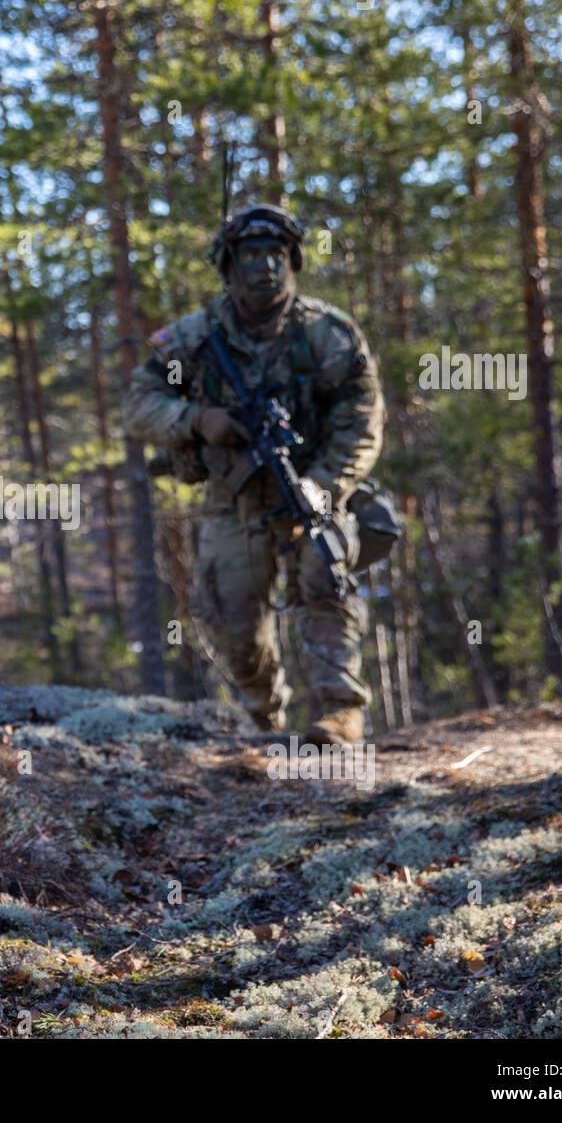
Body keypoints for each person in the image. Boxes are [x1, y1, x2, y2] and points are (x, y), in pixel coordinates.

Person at [126, 204, 384, 746]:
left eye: (276, 254)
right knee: (231, 616)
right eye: (251, 256)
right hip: (233, 501)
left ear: (292, 261)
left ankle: (339, 711)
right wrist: (196, 420)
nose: (265, 266)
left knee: (324, 569)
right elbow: (140, 402)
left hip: (312, 492)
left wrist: (323, 486)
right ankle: (262, 715)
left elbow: (362, 423)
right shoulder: (194, 338)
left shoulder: (328, 335)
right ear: (228, 265)